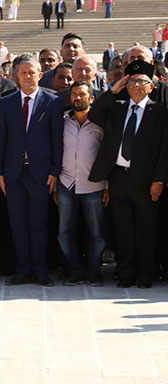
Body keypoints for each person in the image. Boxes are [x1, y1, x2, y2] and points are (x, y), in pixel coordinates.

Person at [88, 61, 168, 288]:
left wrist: (159, 179)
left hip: (146, 181)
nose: (136, 85)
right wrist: (112, 92)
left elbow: (165, 149)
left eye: (142, 81)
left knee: (147, 230)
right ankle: (125, 274)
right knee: (123, 229)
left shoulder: (159, 112)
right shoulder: (118, 107)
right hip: (118, 177)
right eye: (132, 81)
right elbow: (94, 115)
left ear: (151, 87)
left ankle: (145, 275)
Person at [0, 53, 64, 287]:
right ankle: (23, 269)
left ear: (40, 75)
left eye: (31, 72)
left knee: (38, 224)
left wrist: (55, 170)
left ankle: (40, 270)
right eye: (23, 72)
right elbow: (0, 140)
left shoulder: (52, 102)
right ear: (15, 76)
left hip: (41, 174)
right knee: (18, 225)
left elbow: (57, 139)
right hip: (14, 175)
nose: (27, 76)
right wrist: (0, 172)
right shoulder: (6, 102)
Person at [56, 82, 106, 287]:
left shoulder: (100, 123)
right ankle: (75, 271)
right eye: (74, 94)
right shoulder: (62, 121)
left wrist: (109, 184)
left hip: (94, 186)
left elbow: (108, 153)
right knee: (65, 232)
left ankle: (94, 272)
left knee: (97, 234)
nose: (78, 97)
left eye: (82, 94)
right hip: (66, 184)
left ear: (91, 98)